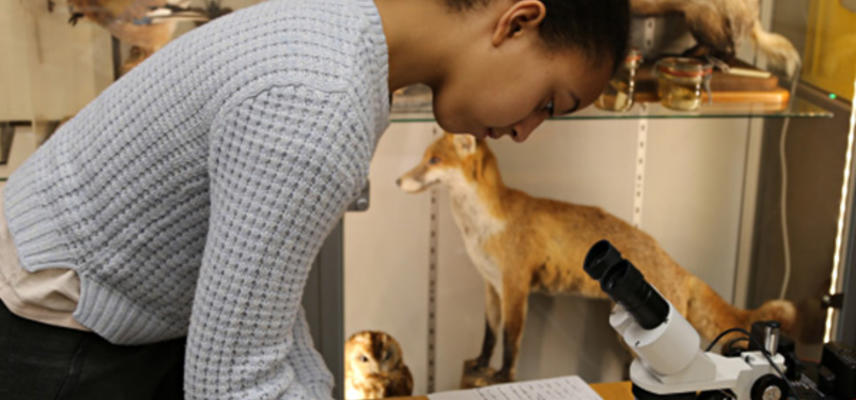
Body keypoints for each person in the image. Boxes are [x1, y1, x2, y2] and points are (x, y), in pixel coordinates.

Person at [0, 0, 629, 398]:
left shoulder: (340, 34)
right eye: (549, 103)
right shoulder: (322, 105)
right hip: (68, 333)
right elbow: (229, 384)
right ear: (517, 22)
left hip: (95, 296)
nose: (525, 131)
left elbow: (259, 310)